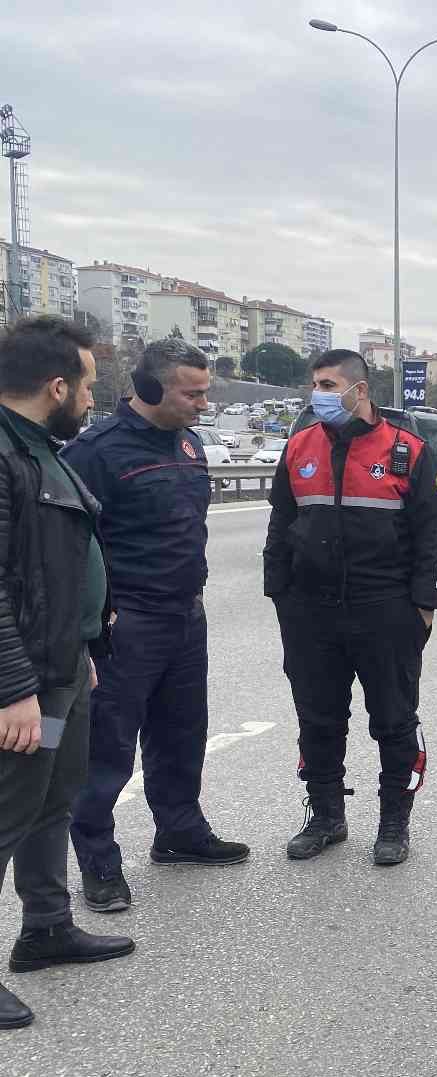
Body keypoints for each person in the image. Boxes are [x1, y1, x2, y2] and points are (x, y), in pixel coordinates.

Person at [63, 340, 248, 913]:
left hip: (185, 615)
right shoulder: (94, 452)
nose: (203, 404)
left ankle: (180, 832)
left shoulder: (189, 443)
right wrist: (98, 617)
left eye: (206, 392)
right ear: (147, 389)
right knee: (108, 748)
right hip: (127, 622)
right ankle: (98, 862)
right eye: (191, 393)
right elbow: (70, 545)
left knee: (181, 734)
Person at [264, 349, 437, 866]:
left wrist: (424, 606)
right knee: (318, 719)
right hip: (311, 612)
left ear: (360, 390)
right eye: (315, 385)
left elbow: (435, 533)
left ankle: (394, 820)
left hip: (385, 608)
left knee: (393, 719)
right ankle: (326, 814)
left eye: (328, 385)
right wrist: (279, 594)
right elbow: (280, 523)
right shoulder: (299, 446)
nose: (318, 395)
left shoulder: (407, 451)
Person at [0, 316, 134, 1030]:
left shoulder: (41, 449)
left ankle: (46, 928)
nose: (91, 397)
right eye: (85, 384)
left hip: (59, 667)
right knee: (5, 812)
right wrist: (13, 690)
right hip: (21, 682)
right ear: (56, 386)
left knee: (52, 799)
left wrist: (79, 650)